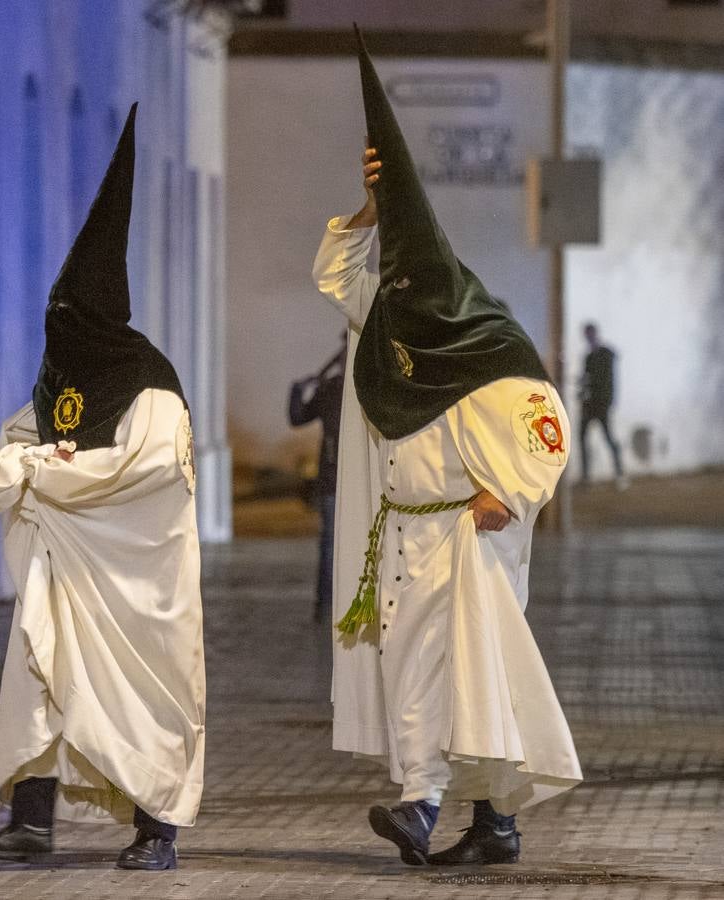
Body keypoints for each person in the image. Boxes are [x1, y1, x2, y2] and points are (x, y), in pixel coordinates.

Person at [308, 30, 582, 868]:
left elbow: (547, 427)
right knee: (449, 680)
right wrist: (369, 208)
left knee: (449, 673)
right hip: (400, 535)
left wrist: (514, 495)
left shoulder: (483, 342)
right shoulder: (393, 327)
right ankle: (492, 826)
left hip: (466, 539)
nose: (396, 299)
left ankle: (421, 805)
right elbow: (338, 274)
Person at [0, 105, 205, 872]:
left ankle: (155, 832)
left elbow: (150, 470)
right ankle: (32, 824)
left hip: (137, 588)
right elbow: (18, 439)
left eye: (70, 315)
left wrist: (48, 471)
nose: (56, 328)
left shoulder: (148, 386)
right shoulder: (61, 380)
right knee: (39, 684)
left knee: (140, 701)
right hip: (66, 577)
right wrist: (36, 461)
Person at [288, 334, 346, 623]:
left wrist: (301, 389)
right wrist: (299, 390)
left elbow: (298, 417)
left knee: (332, 548)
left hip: (347, 483)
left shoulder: (338, 388)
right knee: (331, 548)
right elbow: (298, 417)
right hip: (335, 482)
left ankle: (330, 609)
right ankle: (326, 609)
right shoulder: (334, 389)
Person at [578, 322, 628, 488]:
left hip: (601, 404)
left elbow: (607, 380)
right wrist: (582, 391)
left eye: (590, 335)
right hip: (590, 404)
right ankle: (586, 477)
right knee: (583, 438)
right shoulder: (589, 357)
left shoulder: (606, 354)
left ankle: (620, 474)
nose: (588, 338)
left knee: (608, 438)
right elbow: (586, 379)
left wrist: (608, 400)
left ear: (595, 334)